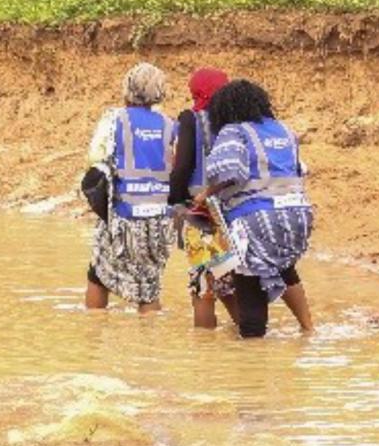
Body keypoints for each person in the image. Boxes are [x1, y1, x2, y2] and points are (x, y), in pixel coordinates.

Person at [194, 79, 316, 338]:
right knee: (282, 266)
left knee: (250, 297)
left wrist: (205, 194)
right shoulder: (284, 130)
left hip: (256, 220)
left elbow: (229, 171)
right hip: (298, 217)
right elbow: (301, 169)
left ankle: (253, 364)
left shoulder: (234, 132)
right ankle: (308, 329)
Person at [84, 62, 175, 313]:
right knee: (149, 287)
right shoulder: (170, 124)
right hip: (159, 218)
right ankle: (148, 346)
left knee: (98, 275)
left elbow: (94, 158)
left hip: (122, 215)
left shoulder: (114, 119)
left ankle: (94, 331)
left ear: (127, 89)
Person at [168, 67, 240, 330]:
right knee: (230, 281)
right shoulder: (237, 123)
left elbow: (182, 165)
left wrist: (175, 202)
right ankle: (248, 340)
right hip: (236, 212)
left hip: (202, 213)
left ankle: (204, 353)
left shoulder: (191, 119)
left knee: (203, 287)